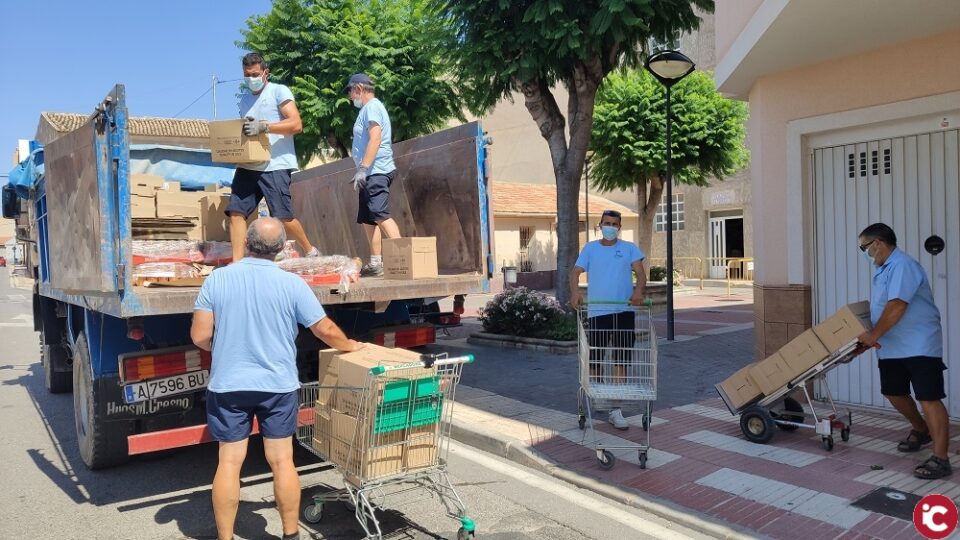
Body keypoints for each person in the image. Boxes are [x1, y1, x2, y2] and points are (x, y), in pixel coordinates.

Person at [191, 218, 363, 540]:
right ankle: (290, 534)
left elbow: (200, 335)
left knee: (229, 462)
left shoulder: (218, 280)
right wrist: (349, 345)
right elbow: (323, 329)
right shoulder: (293, 284)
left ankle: (225, 537)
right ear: (283, 249)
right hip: (277, 386)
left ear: (247, 243)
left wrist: (226, 348)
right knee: (283, 460)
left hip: (229, 384)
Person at [856, 223, 949, 480]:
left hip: (919, 343)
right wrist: (866, 340)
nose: (864, 253)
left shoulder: (903, 265)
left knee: (928, 397)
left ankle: (941, 458)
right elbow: (883, 309)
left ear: (878, 243)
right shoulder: (883, 269)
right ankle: (921, 429)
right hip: (892, 345)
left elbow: (897, 305)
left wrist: (872, 336)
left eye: (864, 247)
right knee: (893, 392)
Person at [226, 52, 319, 262]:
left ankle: (310, 250)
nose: (251, 79)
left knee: (283, 215)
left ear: (265, 73)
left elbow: (296, 124)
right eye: (247, 75)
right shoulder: (244, 100)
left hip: (276, 164)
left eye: (255, 74)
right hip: (250, 166)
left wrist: (265, 126)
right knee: (236, 211)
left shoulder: (278, 91)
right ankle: (237, 263)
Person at [568, 210, 647, 430]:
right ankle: (600, 396)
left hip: (623, 312)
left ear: (619, 227)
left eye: (614, 224)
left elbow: (641, 275)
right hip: (598, 312)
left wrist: (638, 292)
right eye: (607, 223)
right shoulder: (590, 249)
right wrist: (575, 294)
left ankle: (615, 409)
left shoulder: (629, 248)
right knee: (596, 360)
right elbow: (575, 273)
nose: (610, 227)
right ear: (600, 225)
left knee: (621, 360)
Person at [345, 73, 401, 277]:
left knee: (380, 214)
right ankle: (376, 262)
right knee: (368, 219)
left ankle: (405, 259)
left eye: (350, 91)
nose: (350, 97)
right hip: (369, 173)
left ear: (359, 88)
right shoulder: (367, 110)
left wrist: (363, 168)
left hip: (376, 171)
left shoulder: (373, 107)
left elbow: (375, 138)